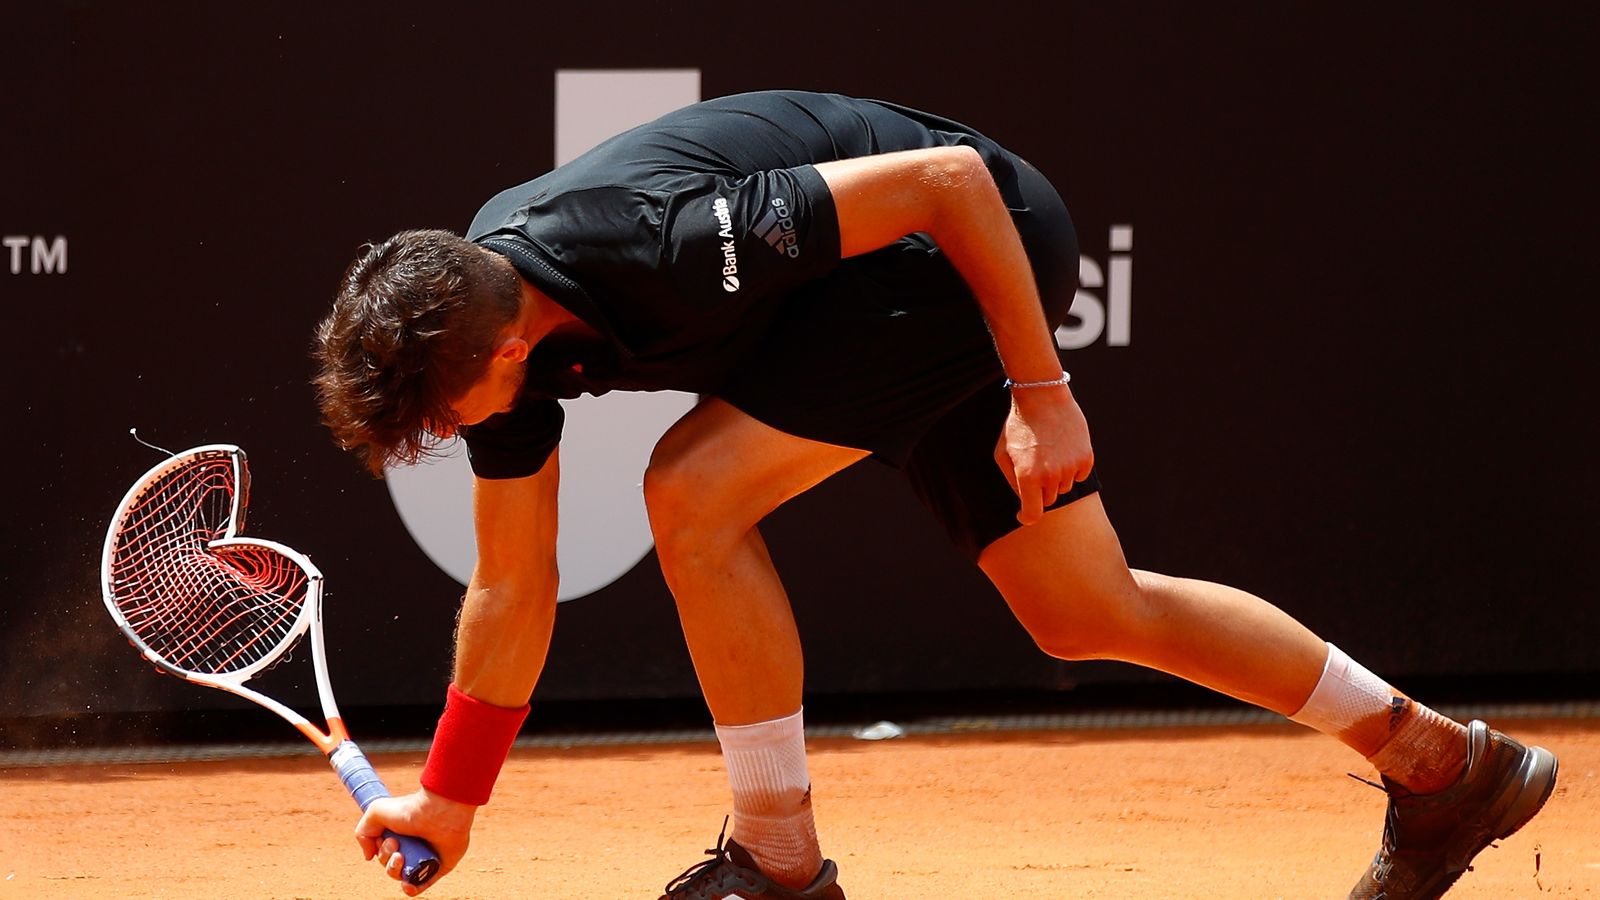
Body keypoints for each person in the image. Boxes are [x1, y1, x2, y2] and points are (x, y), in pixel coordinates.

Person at [312, 90, 1557, 899]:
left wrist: (1042, 388)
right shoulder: (497, 339)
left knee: (690, 491)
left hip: (969, 244)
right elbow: (510, 580)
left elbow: (950, 180)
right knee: (1087, 610)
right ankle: (1445, 765)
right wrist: (454, 796)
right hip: (842, 317)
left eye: (437, 412)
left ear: (509, 346)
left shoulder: (665, 239)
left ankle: (777, 865)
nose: (434, 438)